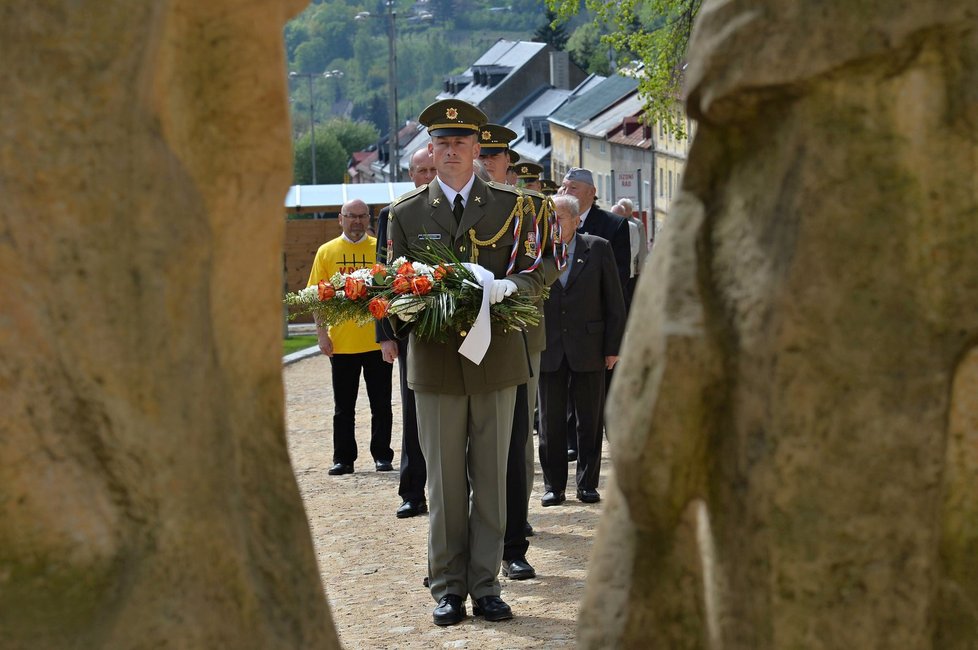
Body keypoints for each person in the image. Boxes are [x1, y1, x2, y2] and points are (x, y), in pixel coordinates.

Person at [386, 99, 551, 627]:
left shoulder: (516, 207)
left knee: (492, 476)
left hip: (496, 360)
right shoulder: (406, 214)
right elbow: (395, 288)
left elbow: (540, 266)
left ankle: (486, 583)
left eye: (462, 142)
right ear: (430, 149)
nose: (453, 150)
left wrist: (509, 287)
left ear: (479, 149)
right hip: (435, 365)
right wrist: (422, 301)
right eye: (443, 142)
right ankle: (448, 585)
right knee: (444, 484)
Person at [538, 194, 626, 506]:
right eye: (551, 218)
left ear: (576, 221)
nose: (555, 224)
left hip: (589, 346)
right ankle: (554, 486)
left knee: (589, 421)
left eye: (560, 218)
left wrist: (613, 347)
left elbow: (614, 300)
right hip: (548, 348)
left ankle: (587, 484)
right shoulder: (536, 251)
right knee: (550, 422)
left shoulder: (598, 247)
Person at [307, 199, 395, 476]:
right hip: (342, 343)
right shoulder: (326, 252)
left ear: (369, 219)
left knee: (381, 404)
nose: (357, 221)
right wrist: (322, 334)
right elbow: (316, 297)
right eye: (351, 216)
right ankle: (343, 458)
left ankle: (382, 455)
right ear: (340, 219)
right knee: (343, 407)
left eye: (362, 216)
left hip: (376, 341)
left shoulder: (380, 250)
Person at [375, 148, 437, 518]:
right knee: (413, 412)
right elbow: (384, 274)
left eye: (433, 169)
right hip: (411, 327)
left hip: (456, 322)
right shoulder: (394, 213)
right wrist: (385, 333)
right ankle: (413, 491)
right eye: (422, 170)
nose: (428, 175)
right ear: (411, 174)